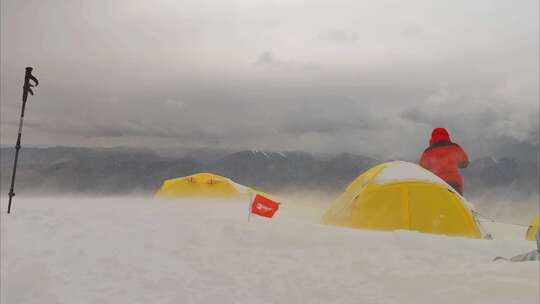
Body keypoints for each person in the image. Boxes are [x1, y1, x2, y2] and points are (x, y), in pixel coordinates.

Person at [419, 128, 469, 195]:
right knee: (455, 204)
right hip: (455, 183)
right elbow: (465, 164)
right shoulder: (455, 147)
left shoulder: (428, 152)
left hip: (436, 183)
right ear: (447, 136)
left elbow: (421, 169)